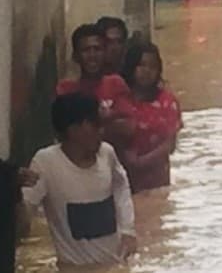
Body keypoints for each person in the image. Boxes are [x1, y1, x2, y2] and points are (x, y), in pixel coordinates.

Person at [20, 93, 137, 267]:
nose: (101, 131)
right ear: (74, 130)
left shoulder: (107, 154)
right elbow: (24, 219)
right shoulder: (46, 163)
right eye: (95, 125)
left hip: (115, 266)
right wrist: (12, 189)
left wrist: (128, 230)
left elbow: (121, 186)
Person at [57, 23, 135, 162]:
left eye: (97, 49)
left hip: (113, 164)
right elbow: (65, 135)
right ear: (76, 56)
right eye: (86, 50)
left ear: (105, 53)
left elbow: (128, 128)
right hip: (76, 166)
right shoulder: (65, 89)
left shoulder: (116, 84)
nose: (92, 55)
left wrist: (88, 125)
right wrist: (108, 119)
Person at [118, 41, 183, 193]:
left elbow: (170, 145)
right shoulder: (119, 100)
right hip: (122, 183)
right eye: (141, 65)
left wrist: (141, 162)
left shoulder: (167, 102)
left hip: (158, 183)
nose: (147, 71)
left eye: (152, 66)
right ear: (131, 67)